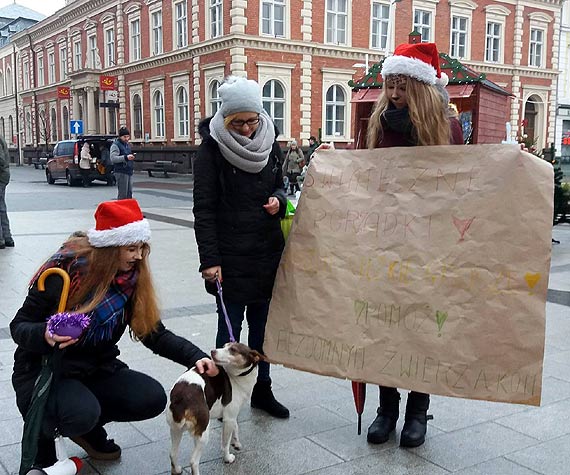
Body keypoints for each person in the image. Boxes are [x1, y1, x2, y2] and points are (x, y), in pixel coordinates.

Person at [10, 199, 218, 469]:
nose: (139, 256)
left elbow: (154, 334)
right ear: (109, 249)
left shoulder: (128, 282)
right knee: (79, 412)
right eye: (131, 248)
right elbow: (19, 325)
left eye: (142, 248)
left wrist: (196, 357)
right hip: (43, 371)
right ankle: (45, 435)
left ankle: (86, 430)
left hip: (94, 369)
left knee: (150, 397)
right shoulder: (63, 274)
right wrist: (46, 334)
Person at [365, 42, 464, 448]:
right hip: (385, 244)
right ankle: (386, 408)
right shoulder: (377, 125)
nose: (394, 94)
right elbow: (362, 176)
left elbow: (462, 185)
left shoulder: (447, 127)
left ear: (421, 89)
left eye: (402, 87)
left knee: (422, 326)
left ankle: (417, 410)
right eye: (390, 85)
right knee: (385, 325)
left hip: (429, 247)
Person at [193, 75, 290, 419]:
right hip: (230, 258)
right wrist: (210, 260)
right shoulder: (210, 151)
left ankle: (263, 389)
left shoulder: (270, 143)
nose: (248, 128)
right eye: (239, 122)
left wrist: (278, 201)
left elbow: (282, 185)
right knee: (229, 335)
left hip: (266, 254)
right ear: (226, 118)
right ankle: (224, 394)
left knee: (263, 331)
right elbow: (204, 209)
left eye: (253, 120)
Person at [110, 127, 135, 199]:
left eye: (128, 136)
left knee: (129, 193)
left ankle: (127, 209)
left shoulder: (127, 145)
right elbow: (113, 158)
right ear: (120, 137)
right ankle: (121, 209)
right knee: (123, 194)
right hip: (121, 172)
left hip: (128, 171)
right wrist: (125, 157)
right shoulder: (116, 145)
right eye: (125, 137)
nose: (127, 138)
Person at [0, 136, 14, 249]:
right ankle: (7, 237)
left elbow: (1, 160)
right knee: (1, 208)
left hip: (0, 176)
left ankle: (1, 240)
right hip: (3, 175)